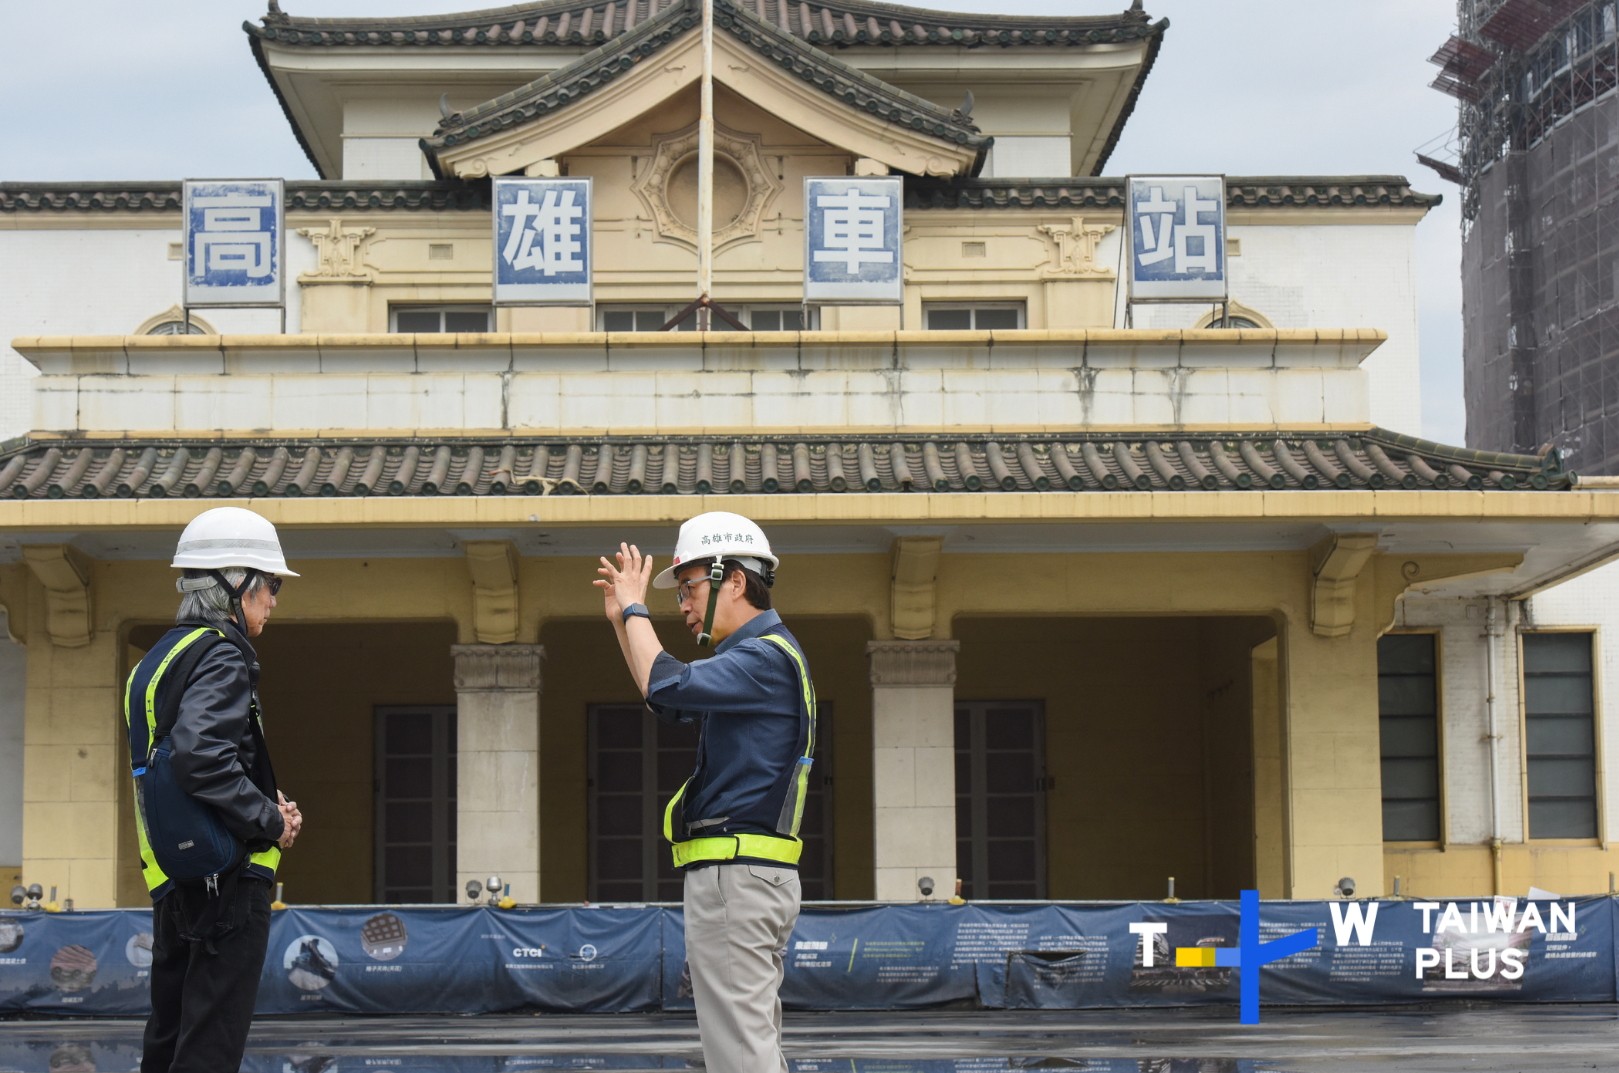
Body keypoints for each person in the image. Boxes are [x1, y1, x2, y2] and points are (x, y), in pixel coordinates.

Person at [596, 511, 815, 1073]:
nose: (685, 604)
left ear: (734, 580)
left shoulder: (762, 657)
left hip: (735, 876)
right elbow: (662, 697)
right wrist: (625, 622)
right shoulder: (764, 658)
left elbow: (666, 683)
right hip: (747, 876)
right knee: (751, 1044)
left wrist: (635, 608)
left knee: (739, 1055)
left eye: (689, 587)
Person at [126, 506, 303, 1073]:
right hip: (226, 879)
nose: (274, 599)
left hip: (173, 875)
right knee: (210, 1044)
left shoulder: (155, 661)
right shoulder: (223, 653)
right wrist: (270, 820)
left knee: (171, 1036)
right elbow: (200, 755)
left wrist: (257, 799)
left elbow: (175, 763)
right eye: (270, 584)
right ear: (235, 583)